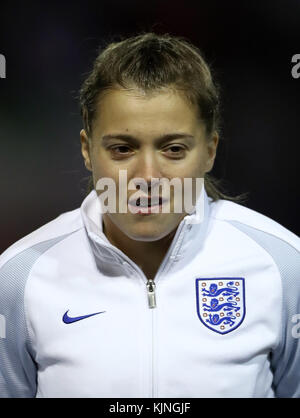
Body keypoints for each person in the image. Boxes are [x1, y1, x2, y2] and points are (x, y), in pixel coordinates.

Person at [0, 32, 299, 398]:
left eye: (173, 149)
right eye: (123, 149)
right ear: (87, 150)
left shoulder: (283, 266)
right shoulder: (18, 278)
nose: (147, 177)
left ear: (209, 151)